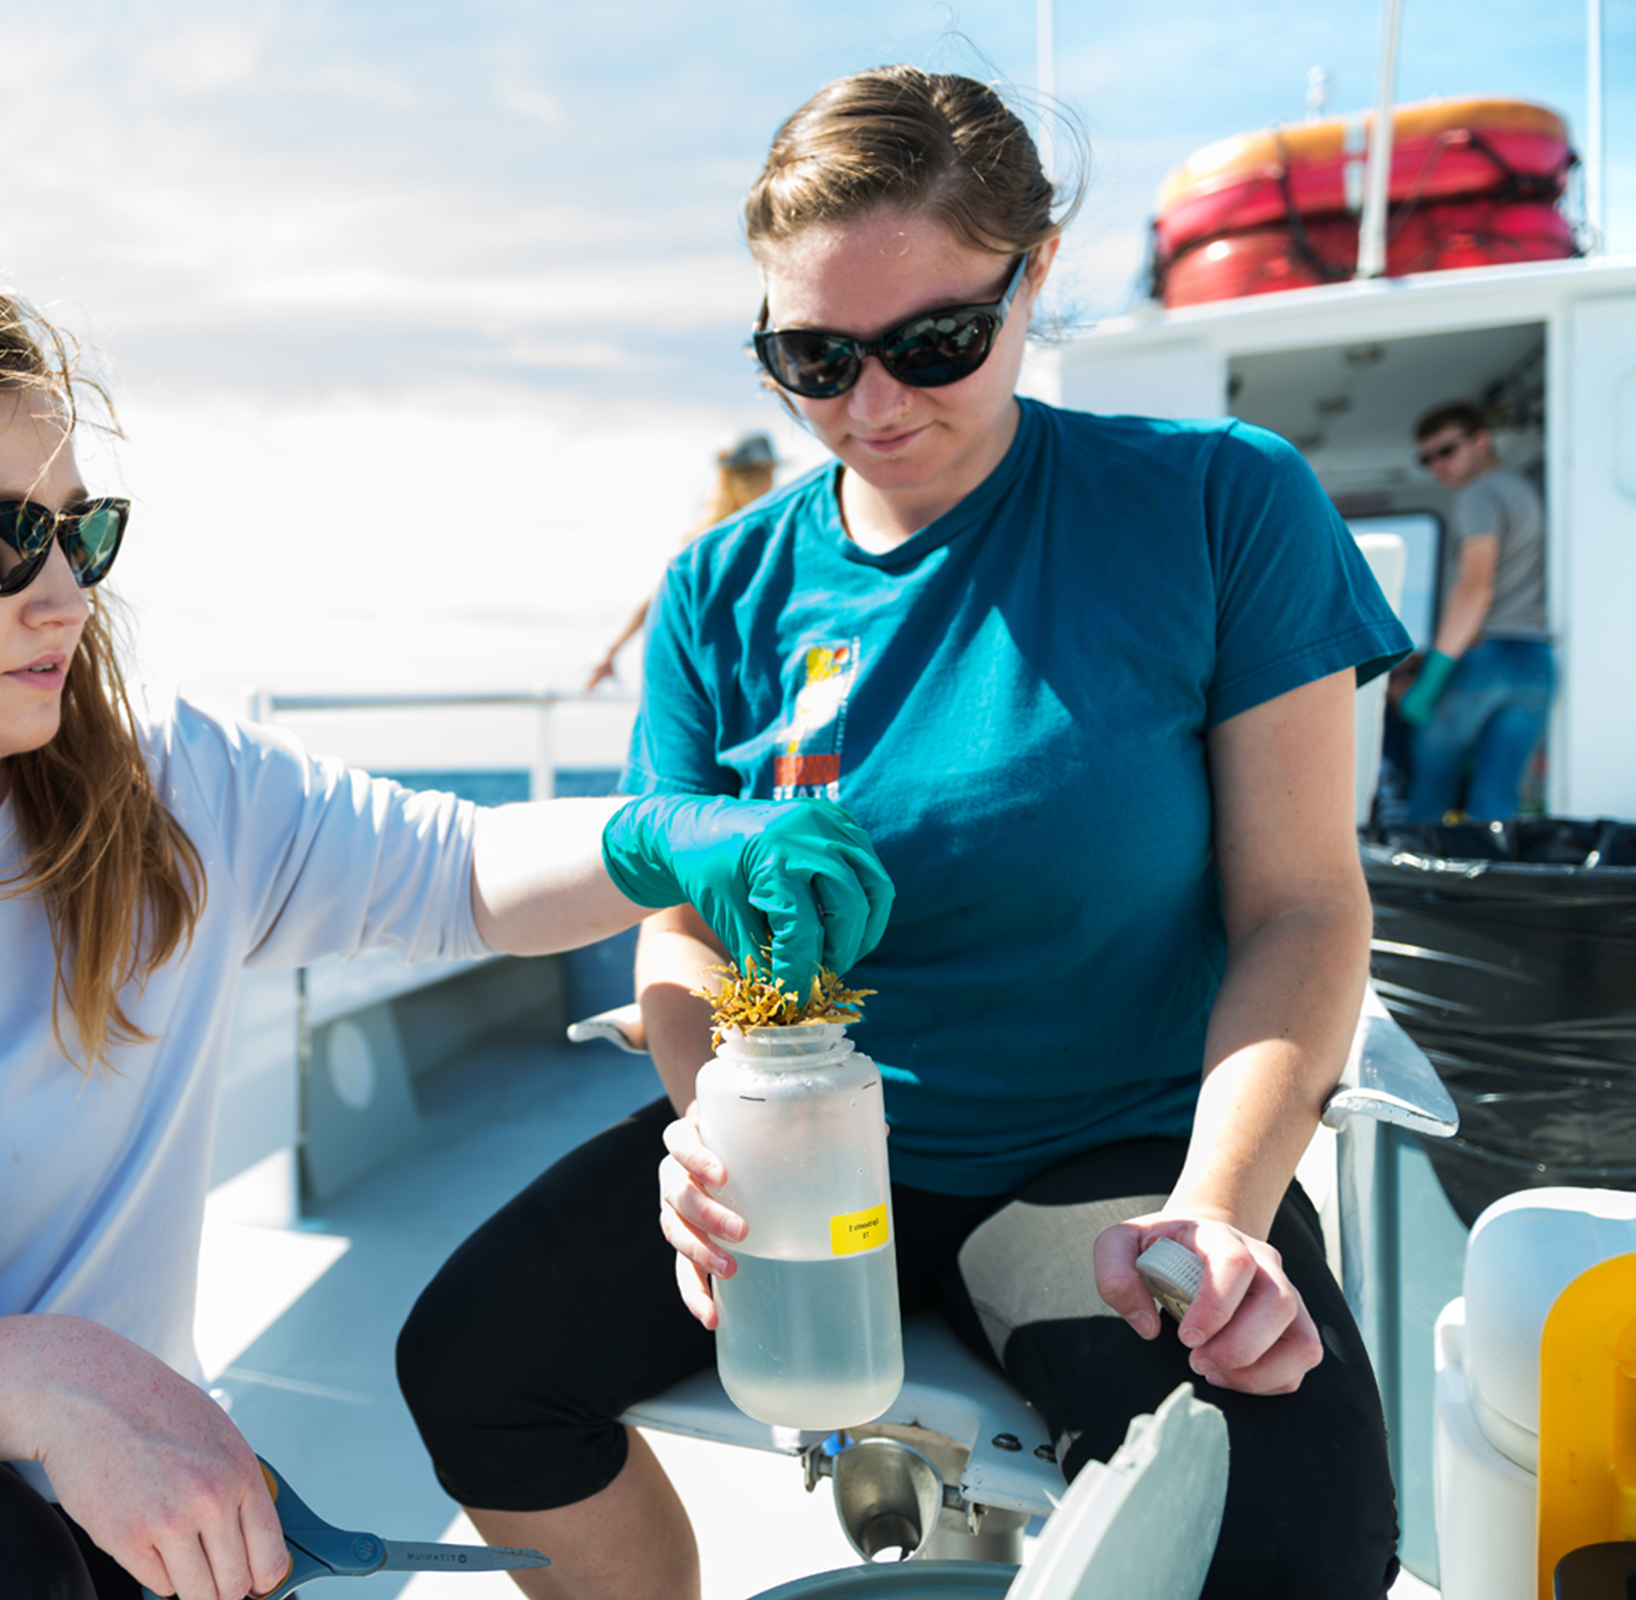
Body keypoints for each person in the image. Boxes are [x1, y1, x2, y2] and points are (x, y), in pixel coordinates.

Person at [0, 279, 894, 1600]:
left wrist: (667, 839)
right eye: (4, 539)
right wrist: (43, 1384)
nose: (66, 590)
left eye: (83, 529)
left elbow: (453, 872)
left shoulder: (162, 792)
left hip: (127, 1475)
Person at [396, 66, 1411, 1600]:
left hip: (1112, 1151)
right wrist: (705, 1130)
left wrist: (1220, 1210)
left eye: (937, 342)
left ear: (1037, 276)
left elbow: (1302, 909)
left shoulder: (1218, 507)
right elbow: (680, 923)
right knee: (470, 1364)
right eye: (812, 356)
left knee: (1290, 1537)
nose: (871, 407)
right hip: (797, 1140)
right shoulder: (719, 594)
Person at [1398, 400, 1553, 820]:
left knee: (1429, 792)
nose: (1437, 466)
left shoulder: (1479, 494)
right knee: (1499, 798)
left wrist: (1431, 678)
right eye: (1426, 458)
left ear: (1481, 440)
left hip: (1486, 657)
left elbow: (1473, 589)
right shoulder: (1523, 490)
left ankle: (1415, 884)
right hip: (1536, 659)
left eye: (1446, 451)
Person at [584, 434, 781, 692]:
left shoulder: (777, 531)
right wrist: (611, 649)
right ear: (732, 478)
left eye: (767, 473)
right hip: (719, 669)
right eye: (755, 474)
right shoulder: (704, 542)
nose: (767, 482)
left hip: (762, 666)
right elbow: (655, 592)